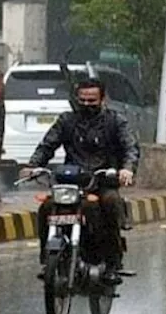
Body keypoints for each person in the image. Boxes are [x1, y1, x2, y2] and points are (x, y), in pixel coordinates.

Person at [22, 77, 140, 283]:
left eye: (92, 100)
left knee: (111, 204)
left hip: (103, 182)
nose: (86, 104)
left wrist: (126, 169)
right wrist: (33, 165)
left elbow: (130, 147)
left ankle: (112, 262)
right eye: (82, 100)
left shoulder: (115, 121)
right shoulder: (66, 120)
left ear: (103, 99)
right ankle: (48, 259)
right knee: (47, 208)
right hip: (71, 183)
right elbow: (47, 145)